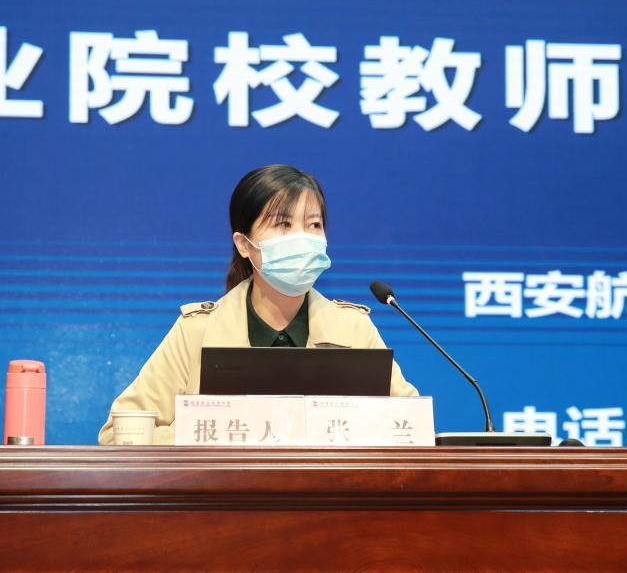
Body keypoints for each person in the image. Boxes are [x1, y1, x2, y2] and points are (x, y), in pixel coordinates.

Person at [98, 164, 418, 445]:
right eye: (283, 224)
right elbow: (119, 435)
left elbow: (411, 429)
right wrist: (212, 432)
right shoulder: (197, 332)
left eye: (314, 225)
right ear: (244, 244)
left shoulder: (354, 330)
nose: (302, 237)